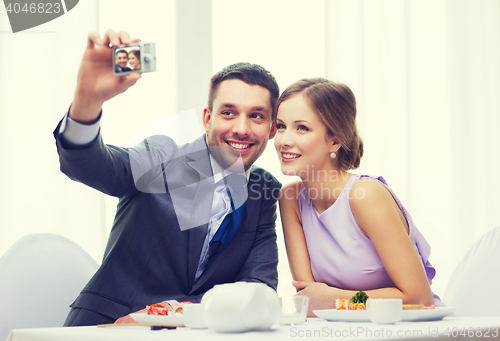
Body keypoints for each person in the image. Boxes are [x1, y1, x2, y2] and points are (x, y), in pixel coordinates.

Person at [54, 29, 281, 326]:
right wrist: (87, 101)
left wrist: (168, 313)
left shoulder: (263, 189)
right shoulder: (162, 156)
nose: (241, 128)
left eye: (256, 116)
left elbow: (257, 287)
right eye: (228, 112)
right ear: (207, 118)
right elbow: (91, 166)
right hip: (108, 328)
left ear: (272, 128)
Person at [274, 78, 443, 315]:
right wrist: (324, 301)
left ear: (335, 140)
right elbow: (310, 302)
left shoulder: (365, 196)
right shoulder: (290, 199)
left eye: (302, 128)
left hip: (408, 331)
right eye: (281, 126)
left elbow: (418, 297)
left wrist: (336, 299)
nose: (284, 141)